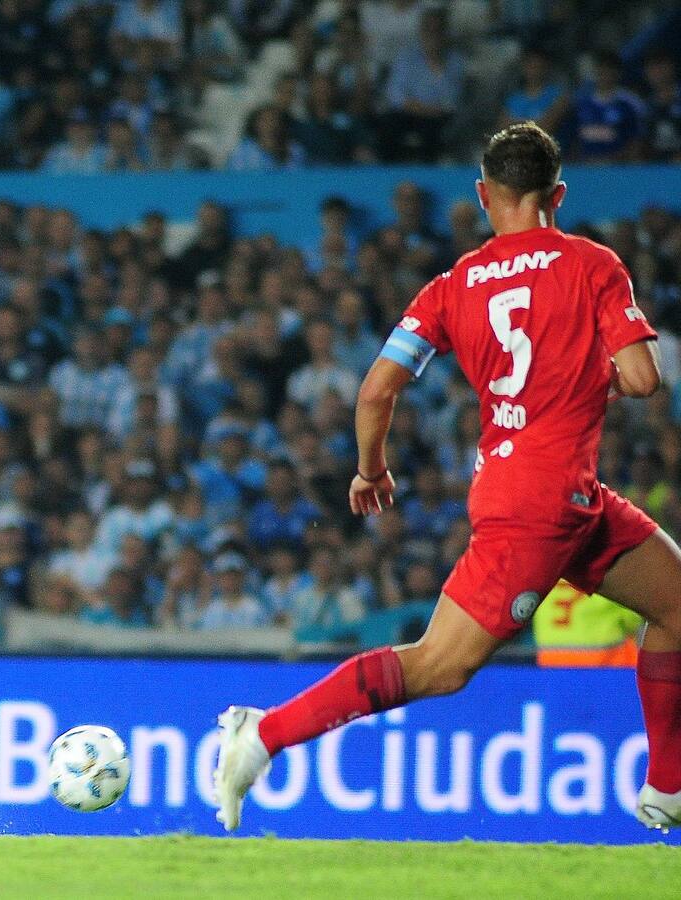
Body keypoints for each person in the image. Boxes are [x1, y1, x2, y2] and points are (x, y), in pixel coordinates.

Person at [213, 122, 680, 835]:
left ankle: (669, 789)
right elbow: (645, 378)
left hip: (541, 489)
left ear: (483, 196)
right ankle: (263, 734)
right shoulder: (591, 263)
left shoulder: (451, 286)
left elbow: (375, 390)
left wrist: (372, 469)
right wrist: (592, 376)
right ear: (557, 193)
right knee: (439, 666)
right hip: (541, 504)